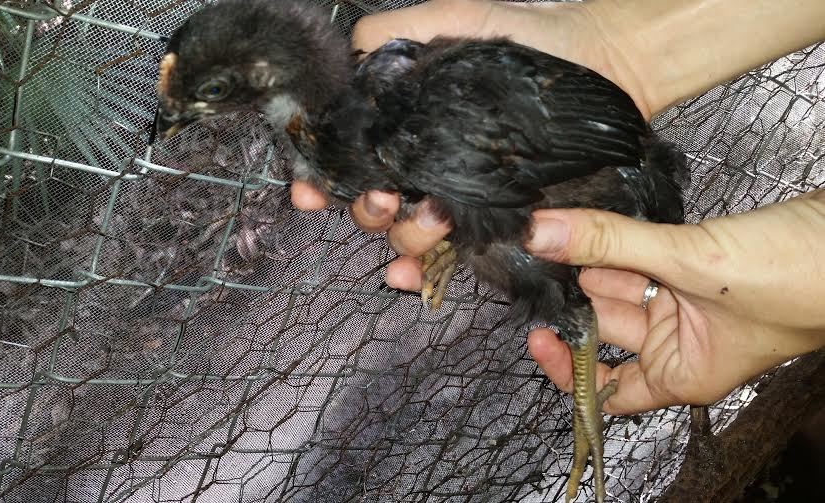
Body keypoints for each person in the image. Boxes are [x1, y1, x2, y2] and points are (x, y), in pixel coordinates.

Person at [291, 0, 825, 415]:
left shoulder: (389, 99)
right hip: (575, 135)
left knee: (511, 245)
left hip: (600, 162)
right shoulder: (364, 108)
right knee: (472, 214)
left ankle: (574, 334)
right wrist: (611, 45)